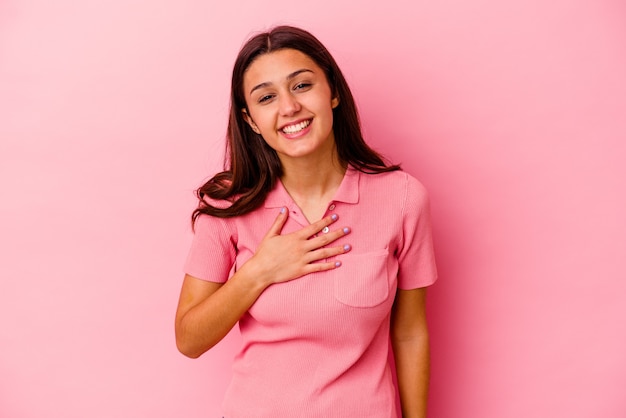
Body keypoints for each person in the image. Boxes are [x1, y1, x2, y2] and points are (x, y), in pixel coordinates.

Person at [175, 25, 437, 418]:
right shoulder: (228, 208)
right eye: (267, 97)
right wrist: (258, 272)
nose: (289, 107)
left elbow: (410, 331)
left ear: (332, 91)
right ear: (250, 121)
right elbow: (189, 339)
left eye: (301, 86)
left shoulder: (402, 198)